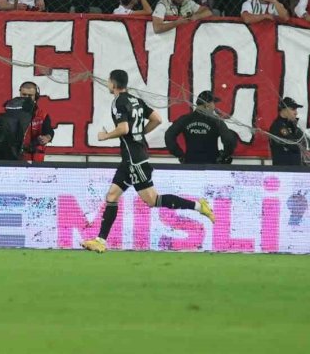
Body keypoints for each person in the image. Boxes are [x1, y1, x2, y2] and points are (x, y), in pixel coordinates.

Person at [82, 69, 216, 253]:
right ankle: (100, 241)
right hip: (130, 159)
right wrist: (141, 133)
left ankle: (199, 207)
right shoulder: (136, 100)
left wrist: (105, 136)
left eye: (108, 82)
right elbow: (157, 119)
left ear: (113, 84)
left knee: (153, 200)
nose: (108, 84)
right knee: (112, 196)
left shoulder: (118, 102)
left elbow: (123, 128)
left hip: (134, 160)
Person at [164, 91, 238, 164]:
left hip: (190, 163)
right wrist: (224, 156)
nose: (214, 107)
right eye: (213, 103)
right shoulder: (216, 121)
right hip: (212, 164)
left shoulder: (185, 119)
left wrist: (179, 154)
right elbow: (229, 140)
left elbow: (169, 135)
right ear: (207, 104)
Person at [16, 81, 55, 163]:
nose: (26, 98)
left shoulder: (43, 115)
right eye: (24, 94)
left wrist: (46, 138)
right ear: (20, 94)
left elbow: (49, 131)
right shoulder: (12, 112)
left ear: (36, 97)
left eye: (30, 95)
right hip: (16, 160)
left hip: (36, 161)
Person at [268, 97, 307, 166]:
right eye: (293, 109)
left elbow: (304, 142)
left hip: (295, 168)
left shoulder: (292, 125)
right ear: (284, 110)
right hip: (284, 170)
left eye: (296, 109)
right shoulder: (278, 126)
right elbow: (294, 145)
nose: (296, 113)